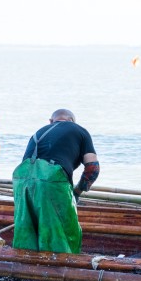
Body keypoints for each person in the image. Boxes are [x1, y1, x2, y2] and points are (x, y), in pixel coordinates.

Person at [12, 109, 99, 254]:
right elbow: (93, 168)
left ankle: (24, 267)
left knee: (26, 230)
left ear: (51, 121)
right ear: (72, 120)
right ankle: (61, 268)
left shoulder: (37, 133)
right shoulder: (80, 131)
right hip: (51, 181)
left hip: (21, 181)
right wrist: (77, 192)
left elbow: (29, 167)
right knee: (65, 231)